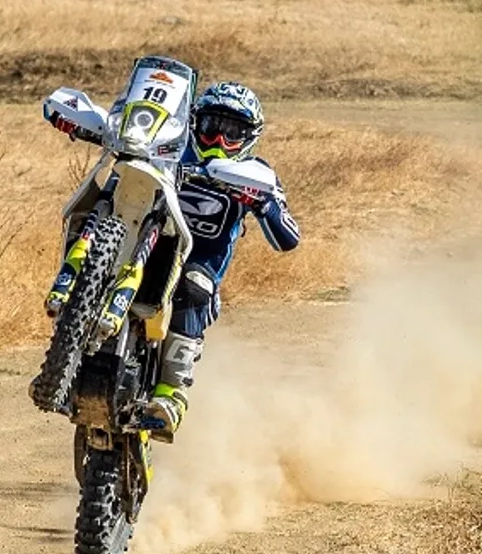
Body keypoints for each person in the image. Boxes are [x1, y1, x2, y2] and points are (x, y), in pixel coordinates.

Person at [48, 81, 300, 436]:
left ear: (249, 137)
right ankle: (64, 352)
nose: (219, 140)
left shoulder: (255, 173)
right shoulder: (170, 148)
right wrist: (88, 126)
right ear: (195, 121)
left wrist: (263, 204)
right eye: (212, 126)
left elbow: (288, 237)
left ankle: (170, 394)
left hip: (197, 266)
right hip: (141, 243)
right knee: (95, 246)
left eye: (232, 133)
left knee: (193, 286)